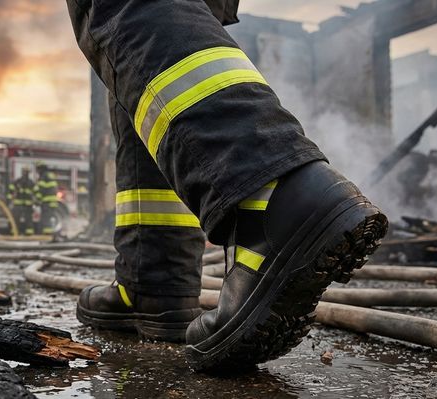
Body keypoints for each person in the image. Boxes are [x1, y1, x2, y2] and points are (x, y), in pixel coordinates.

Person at [67, 0, 389, 372]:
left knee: (119, 9)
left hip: (273, 194)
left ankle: (271, 193)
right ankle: (154, 282)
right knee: (142, 76)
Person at [7, 167, 35, 236]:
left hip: (27, 205)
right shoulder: (17, 182)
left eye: (27, 172)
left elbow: (36, 192)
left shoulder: (31, 182)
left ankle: (29, 233)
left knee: (28, 220)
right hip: (18, 204)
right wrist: (10, 199)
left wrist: (35, 200)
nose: (26, 173)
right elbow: (10, 190)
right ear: (22, 172)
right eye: (25, 172)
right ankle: (15, 232)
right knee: (16, 219)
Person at [34, 162, 60, 235]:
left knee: (45, 218)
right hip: (53, 201)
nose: (37, 172)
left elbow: (41, 189)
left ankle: (47, 233)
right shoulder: (50, 175)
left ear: (41, 169)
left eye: (38, 170)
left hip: (47, 202)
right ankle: (48, 232)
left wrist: (37, 200)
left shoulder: (43, 176)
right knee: (48, 217)